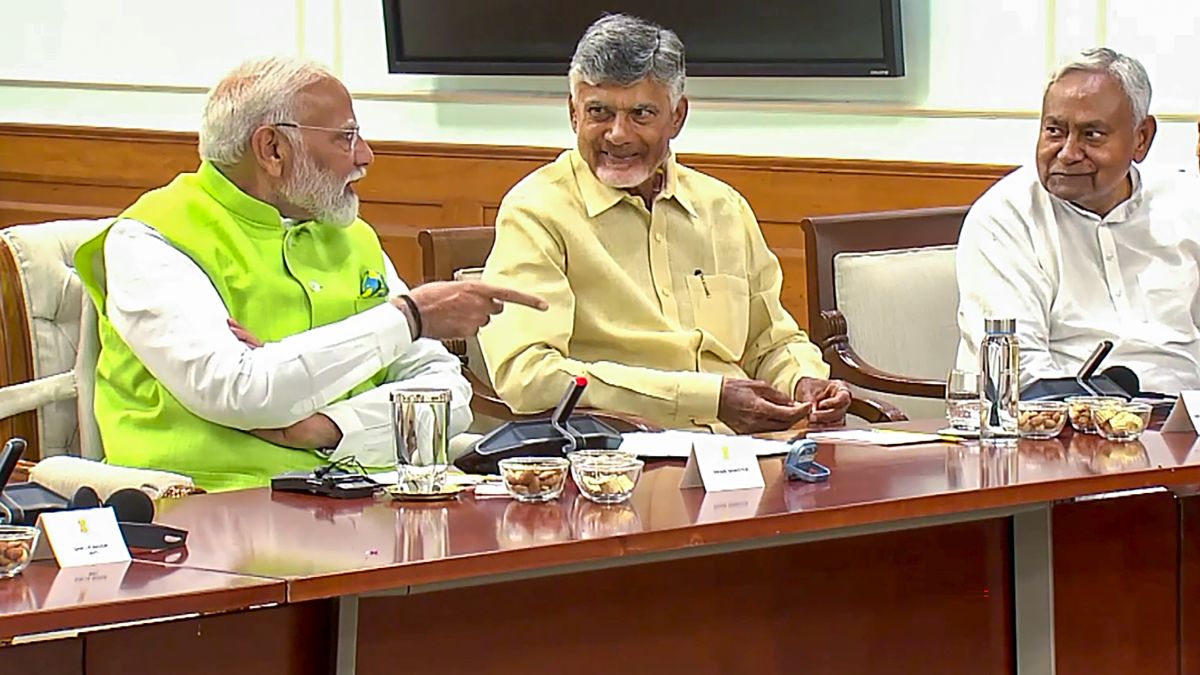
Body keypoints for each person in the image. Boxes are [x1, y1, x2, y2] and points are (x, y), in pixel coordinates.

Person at [75, 57, 546, 491]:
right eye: (345, 137)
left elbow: (447, 394)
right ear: (273, 148)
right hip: (211, 512)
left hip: (361, 500)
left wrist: (328, 427)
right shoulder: (153, 239)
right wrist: (406, 318)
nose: (365, 156)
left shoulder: (348, 233)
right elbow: (240, 391)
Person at [478, 14, 850, 434]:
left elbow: (770, 341)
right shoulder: (536, 212)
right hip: (623, 460)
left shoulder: (722, 207)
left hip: (752, 453)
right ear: (573, 114)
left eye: (641, 114)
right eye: (598, 112)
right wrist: (706, 398)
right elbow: (527, 376)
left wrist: (804, 381)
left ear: (677, 117)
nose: (617, 134)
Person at [955, 47, 1200, 394]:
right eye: (1054, 131)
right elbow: (1019, 374)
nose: (1068, 153)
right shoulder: (1005, 218)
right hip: (1061, 431)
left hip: (1184, 428)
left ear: (1141, 138)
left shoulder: (1188, 202)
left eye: (1092, 135)